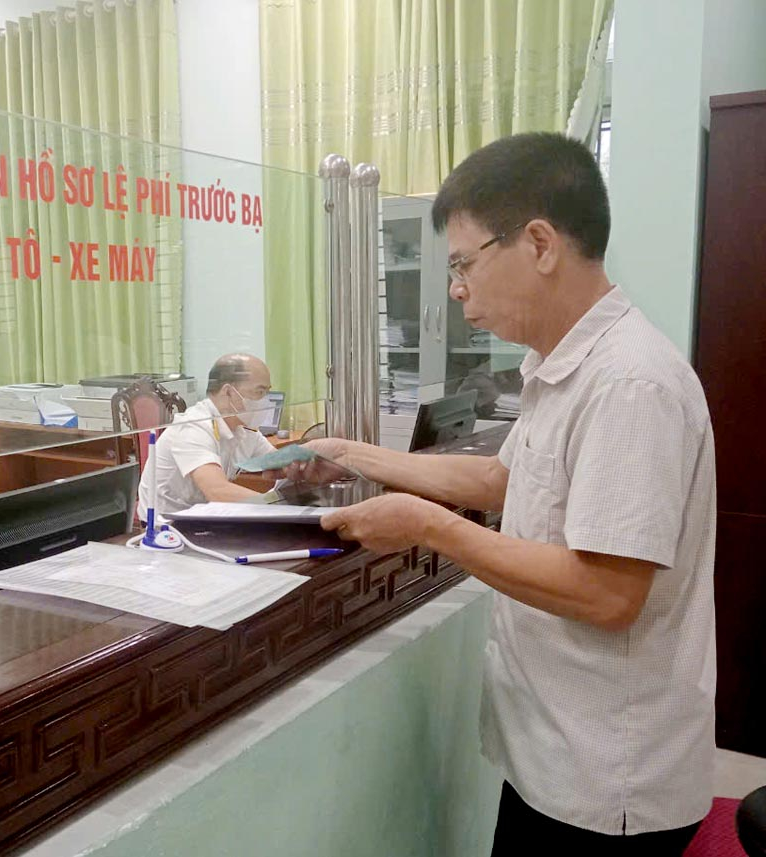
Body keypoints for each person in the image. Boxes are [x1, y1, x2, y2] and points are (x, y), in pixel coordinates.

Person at [280, 133, 715, 855]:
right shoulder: (560, 365)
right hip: (555, 750)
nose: (456, 290)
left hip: (608, 782)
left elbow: (609, 593)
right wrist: (352, 454)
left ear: (540, 243)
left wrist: (428, 526)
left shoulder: (629, 384)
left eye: (464, 264)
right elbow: (498, 481)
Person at [136, 353, 278, 518]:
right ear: (228, 392)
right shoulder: (193, 427)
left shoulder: (243, 427)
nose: (265, 401)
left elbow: (278, 461)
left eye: (267, 392)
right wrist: (277, 505)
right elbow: (218, 491)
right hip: (167, 528)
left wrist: (303, 460)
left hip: (205, 518)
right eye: (259, 392)